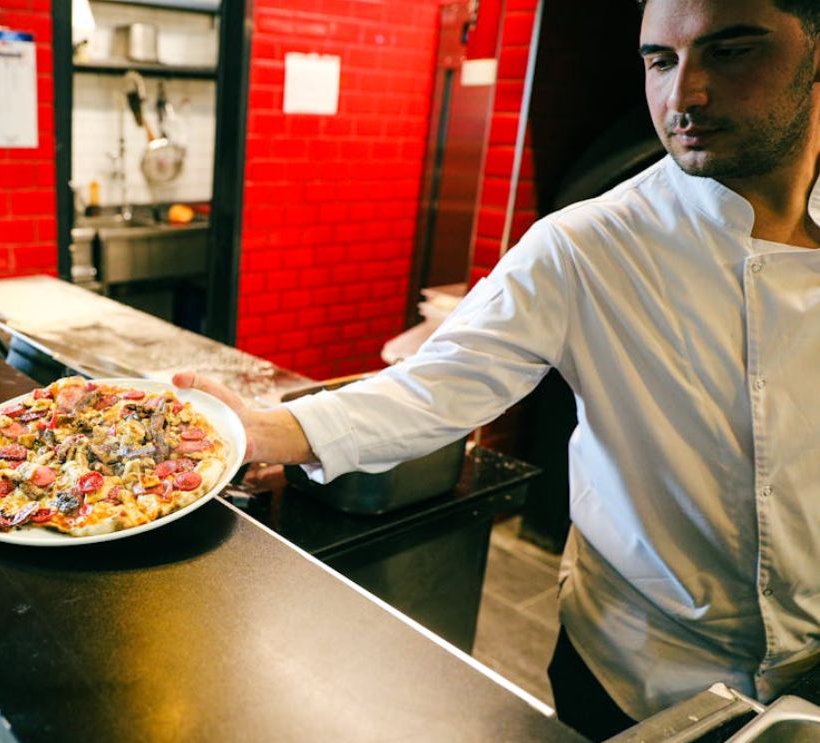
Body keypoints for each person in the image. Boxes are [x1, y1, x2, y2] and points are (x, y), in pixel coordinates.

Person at [177, 0, 819, 739]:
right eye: (658, 61)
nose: (682, 95)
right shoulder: (586, 244)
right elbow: (437, 383)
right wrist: (261, 431)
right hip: (639, 670)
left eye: (730, 51)